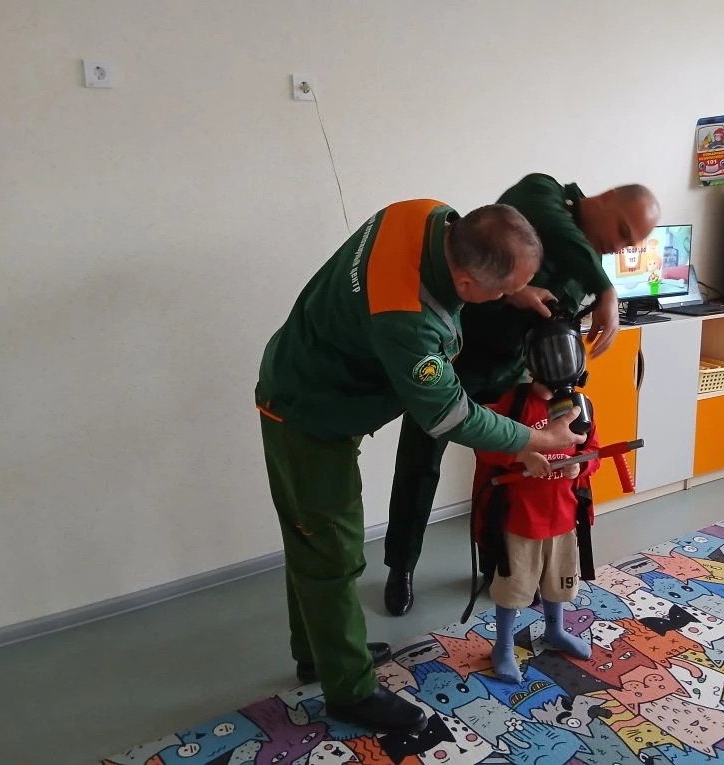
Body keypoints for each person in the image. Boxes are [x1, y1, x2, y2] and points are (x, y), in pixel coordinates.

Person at [255, 198, 587, 734]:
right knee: (331, 550)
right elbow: (448, 414)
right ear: (465, 283)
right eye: (502, 290)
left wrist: (515, 288)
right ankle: (350, 691)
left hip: (314, 380)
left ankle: (321, 653)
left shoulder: (425, 215)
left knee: (310, 538)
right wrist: (535, 438)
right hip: (309, 412)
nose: (508, 297)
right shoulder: (406, 320)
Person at [383, 174, 660, 616]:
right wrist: (605, 289)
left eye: (631, 244)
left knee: (507, 470)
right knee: (419, 463)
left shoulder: (585, 266)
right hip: (456, 357)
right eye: (623, 231)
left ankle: (498, 561)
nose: (619, 246)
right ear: (606, 198)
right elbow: (549, 239)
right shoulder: (542, 194)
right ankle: (401, 566)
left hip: (512, 372)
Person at [471, 377, 601, 684]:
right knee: (513, 588)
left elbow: (593, 450)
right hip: (521, 522)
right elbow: (485, 445)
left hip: (564, 517)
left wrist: (580, 466)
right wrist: (521, 456)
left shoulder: (578, 405)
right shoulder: (515, 403)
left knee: (557, 582)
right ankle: (503, 646)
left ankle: (555, 630)